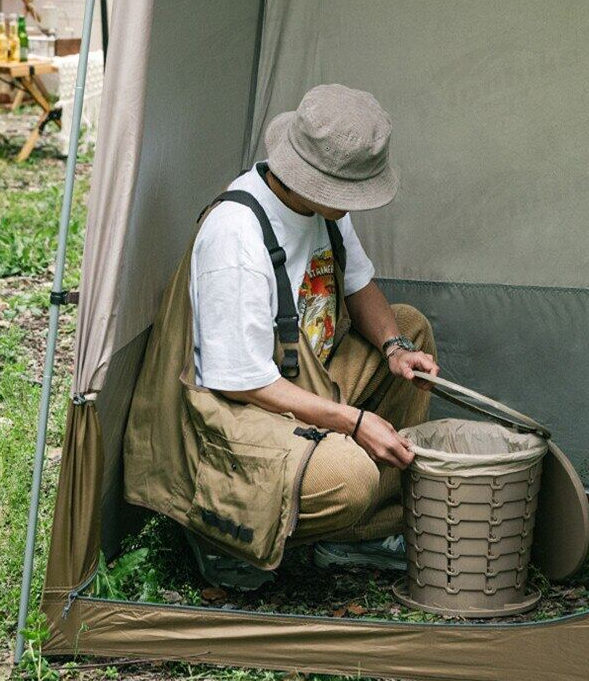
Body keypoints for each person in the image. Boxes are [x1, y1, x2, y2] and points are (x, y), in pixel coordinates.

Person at [186, 84, 439, 588]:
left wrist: (394, 348)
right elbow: (242, 383)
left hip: (302, 375)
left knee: (410, 326)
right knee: (350, 478)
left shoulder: (322, 211)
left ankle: (354, 536)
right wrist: (354, 421)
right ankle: (230, 535)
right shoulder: (236, 234)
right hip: (240, 411)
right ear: (315, 181)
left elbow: (359, 283)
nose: (354, 205)